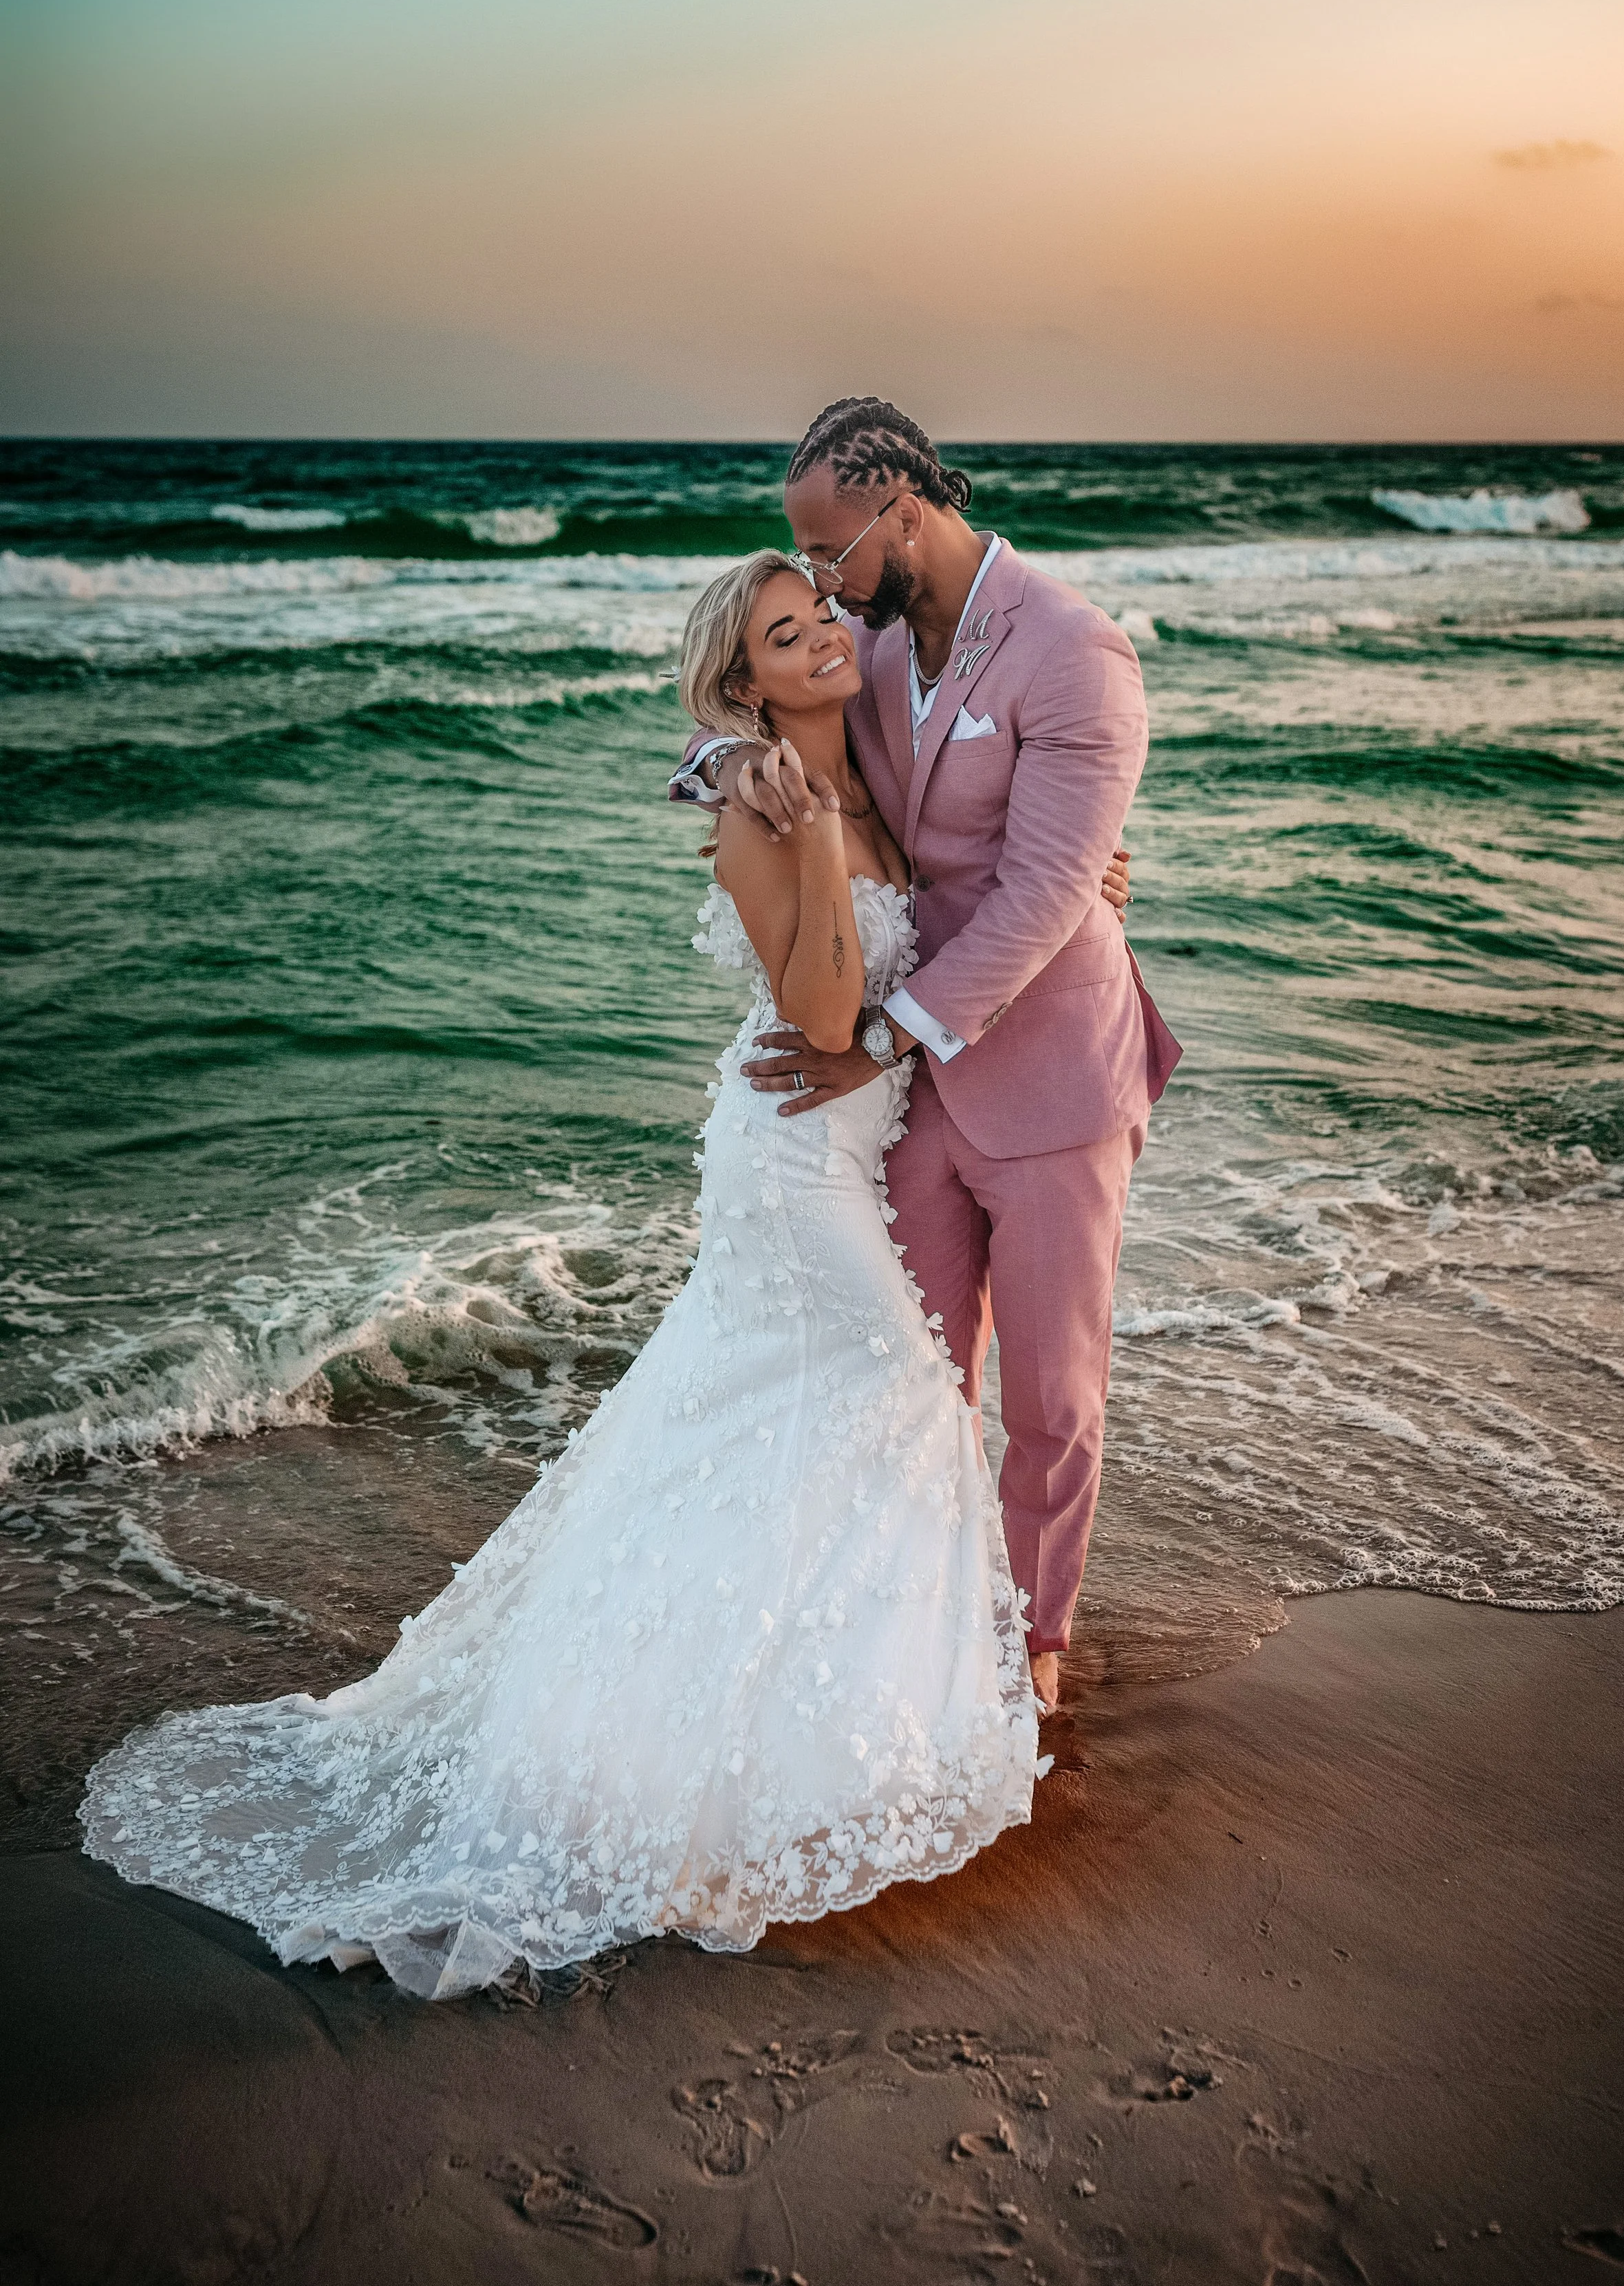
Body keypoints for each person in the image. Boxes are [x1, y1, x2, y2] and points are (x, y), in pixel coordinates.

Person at [81, 550, 1041, 2001]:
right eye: (786, 637)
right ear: (745, 681)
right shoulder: (753, 799)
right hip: (787, 1163)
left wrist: (1064, 866)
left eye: (824, 617)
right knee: (889, 1395)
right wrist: (805, 828)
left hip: (838, 1152)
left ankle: (778, 1738)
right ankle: (697, 1774)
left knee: (762, 1424)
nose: (825, 641)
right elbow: (827, 1009)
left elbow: (965, 880)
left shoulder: (864, 774)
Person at [673, 398, 1180, 1711]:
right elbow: (754, 685)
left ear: (905, 509)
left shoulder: (1076, 651)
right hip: (909, 1095)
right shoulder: (874, 640)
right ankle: (922, 1631)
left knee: (1054, 1397)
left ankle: (1036, 1652)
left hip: (1049, 1068)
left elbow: (1043, 893)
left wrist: (884, 1035)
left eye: (832, 555)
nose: (827, 593)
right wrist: (731, 765)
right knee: (914, 1373)